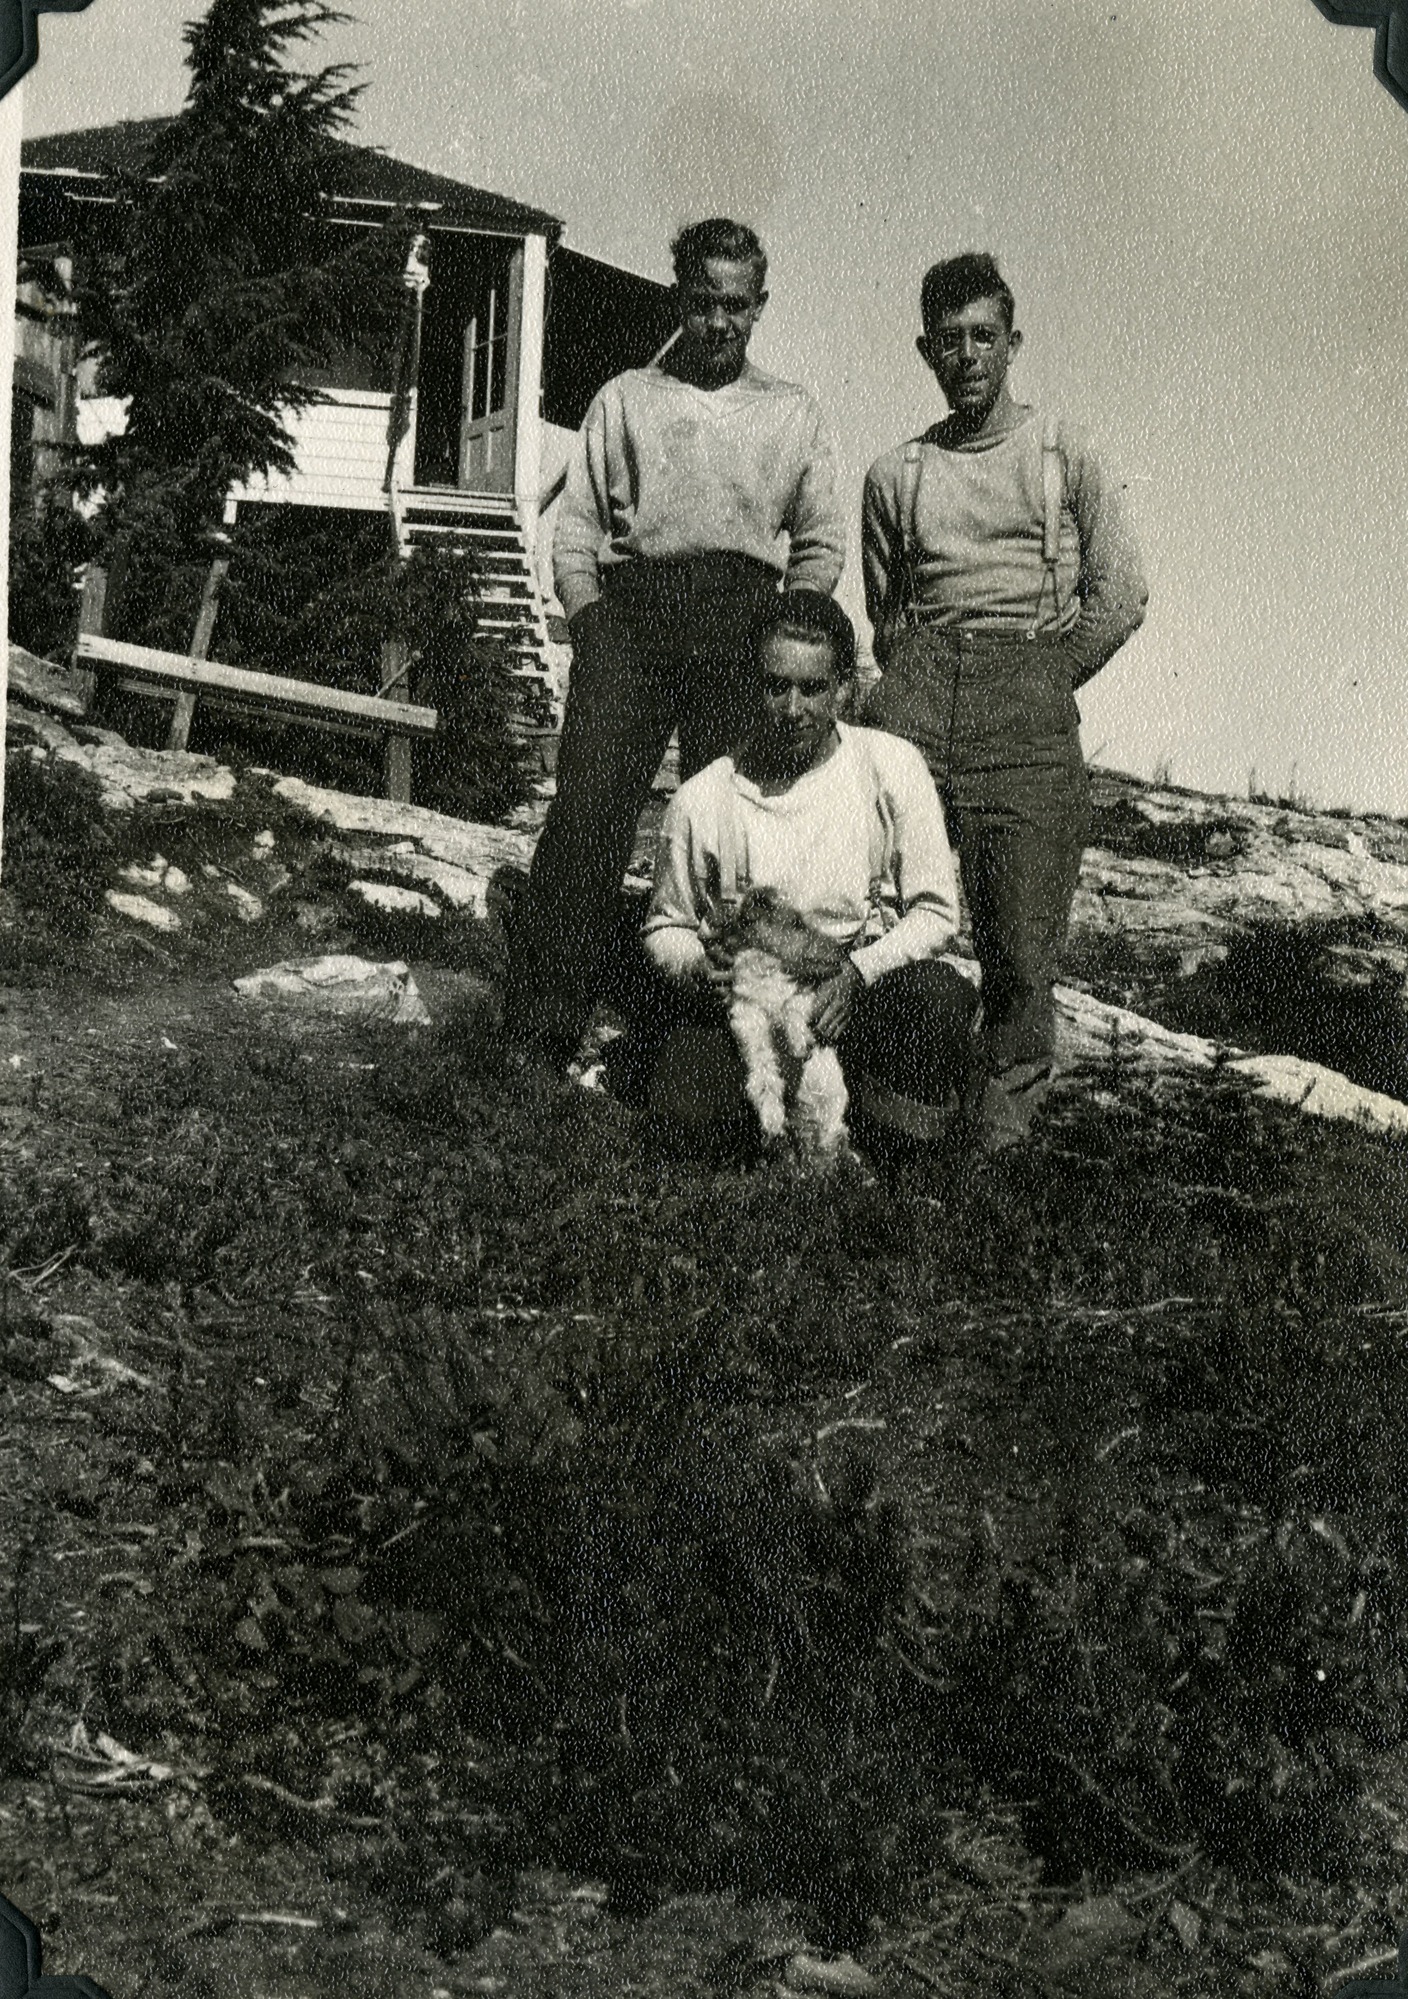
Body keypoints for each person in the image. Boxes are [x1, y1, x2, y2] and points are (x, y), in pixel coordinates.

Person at [504, 218, 847, 1073]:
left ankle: (694, 1051)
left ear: (759, 306)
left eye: (737, 306)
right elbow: (575, 530)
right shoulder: (625, 397)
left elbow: (822, 540)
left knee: (725, 837)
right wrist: (591, 623)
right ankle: (537, 1039)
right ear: (679, 301)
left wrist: (790, 628)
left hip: (741, 628)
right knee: (587, 820)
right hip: (634, 620)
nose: (720, 323)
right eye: (703, 304)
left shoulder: (792, 412)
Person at [861, 251, 1148, 1151]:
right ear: (925, 352)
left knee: (1020, 948)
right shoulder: (896, 472)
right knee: (872, 908)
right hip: (917, 693)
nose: (968, 356)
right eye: (949, 341)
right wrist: (912, 684)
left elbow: (1122, 592)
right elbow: (885, 610)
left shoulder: (1066, 450)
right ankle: (883, 1118)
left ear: (1013, 342)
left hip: (1025, 697)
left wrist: (1044, 679)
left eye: (985, 336)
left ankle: (992, 1155)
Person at [635, 590, 977, 1154]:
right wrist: (699, 965)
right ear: (753, 684)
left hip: (857, 989)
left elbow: (937, 911)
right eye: (776, 685)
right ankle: (769, 1146)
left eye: (813, 688)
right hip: (753, 1005)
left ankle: (896, 1159)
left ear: (844, 689)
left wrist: (859, 974)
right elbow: (665, 924)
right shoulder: (704, 798)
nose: (793, 709)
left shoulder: (889, 766)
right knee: (684, 1112)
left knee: (940, 999)